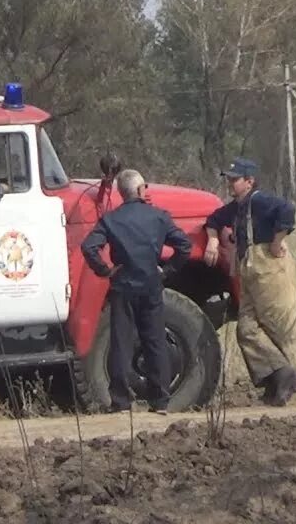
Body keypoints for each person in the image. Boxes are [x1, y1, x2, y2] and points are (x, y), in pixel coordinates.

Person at [80, 169, 193, 414]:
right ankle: (160, 400)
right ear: (141, 190)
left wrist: (105, 270)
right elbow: (184, 246)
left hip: (123, 285)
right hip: (151, 283)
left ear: (122, 193)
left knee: (121, 342)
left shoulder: (111, 219)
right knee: (155, 341)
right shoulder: (159, 217)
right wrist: (167, 270)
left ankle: (120, 400)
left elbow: (89, 247)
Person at [202, 157, 296, 406]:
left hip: (268, 265)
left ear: (250, 181)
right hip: (249, 269)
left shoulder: (259, 201)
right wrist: (213, 240)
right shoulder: (237, 207)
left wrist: (277, 241)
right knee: (246, 329)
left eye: (235, 180)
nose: (230, 184)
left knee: (275, 325)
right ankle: (278, 375)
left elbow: (287, 210)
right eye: (229, 179)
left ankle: (286, 382)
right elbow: (213, 220)